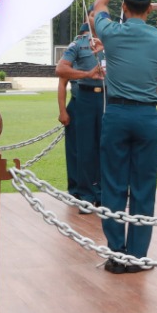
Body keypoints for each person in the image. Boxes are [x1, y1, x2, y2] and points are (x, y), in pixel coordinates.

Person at [89, 0, 157, 273]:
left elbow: (98, 6)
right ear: (150, 8)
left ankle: (117, 255)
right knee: (143, 188)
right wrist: (148, 94)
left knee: (113, 186)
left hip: (116, 114)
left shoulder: (112, 33)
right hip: (146, 117)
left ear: (126, 7)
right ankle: (138, 257)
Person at [56, 20, 106, 211]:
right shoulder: (77, 46)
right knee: (83, 150)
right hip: (82, 99)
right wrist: (87, 73)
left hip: (107, 99)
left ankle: (102, 194)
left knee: (105, 147)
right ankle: (83, 194)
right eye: (94, 15)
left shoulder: (112, 43)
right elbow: (61, 75)